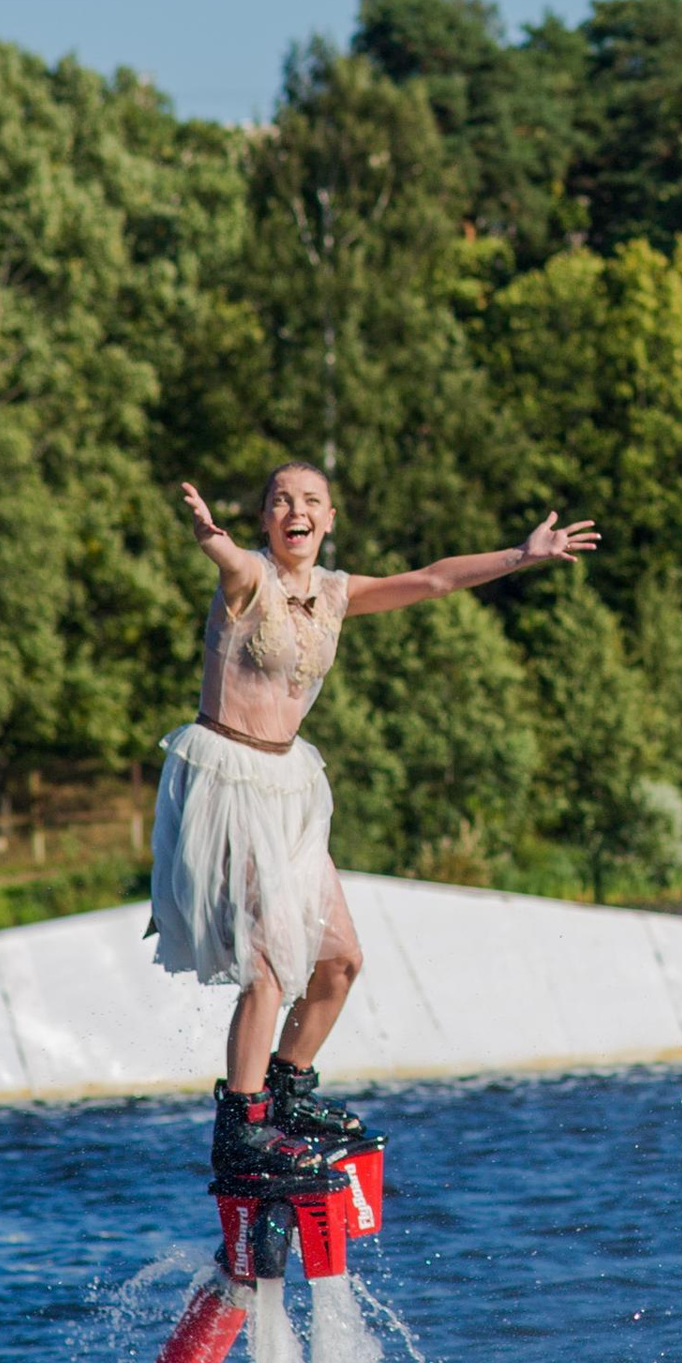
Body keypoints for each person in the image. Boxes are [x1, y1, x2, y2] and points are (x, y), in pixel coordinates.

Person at [155, 461, 599, 1182]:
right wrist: (212, 539)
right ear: (266, 519)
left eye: (310, 502)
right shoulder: (247, 579)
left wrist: (523, 556)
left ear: (330, 519)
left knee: (339, 961)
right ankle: (240, 1127)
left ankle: (287, 1090)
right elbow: (229, 559)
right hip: (230, 781)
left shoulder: (336, 592)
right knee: (268, 964)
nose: (294, 512)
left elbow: (431, 579)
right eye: (280, 503)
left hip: (291, 785)